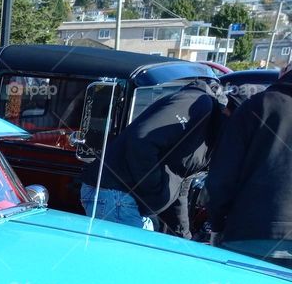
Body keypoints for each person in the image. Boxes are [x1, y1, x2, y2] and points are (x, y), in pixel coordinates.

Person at [80, 79, 228, 233]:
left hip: (132, 201)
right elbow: (141, 140)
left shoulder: (210, 133)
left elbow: (180, 183)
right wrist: (155, 191)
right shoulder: (198, 103)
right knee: (127, 255)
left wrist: (182, 234)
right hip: (117, 194)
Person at [205, 63, 292, 256]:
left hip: (249, 233)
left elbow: (222, 176)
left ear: (284, 72)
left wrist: (217, 223)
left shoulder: (258, 105)